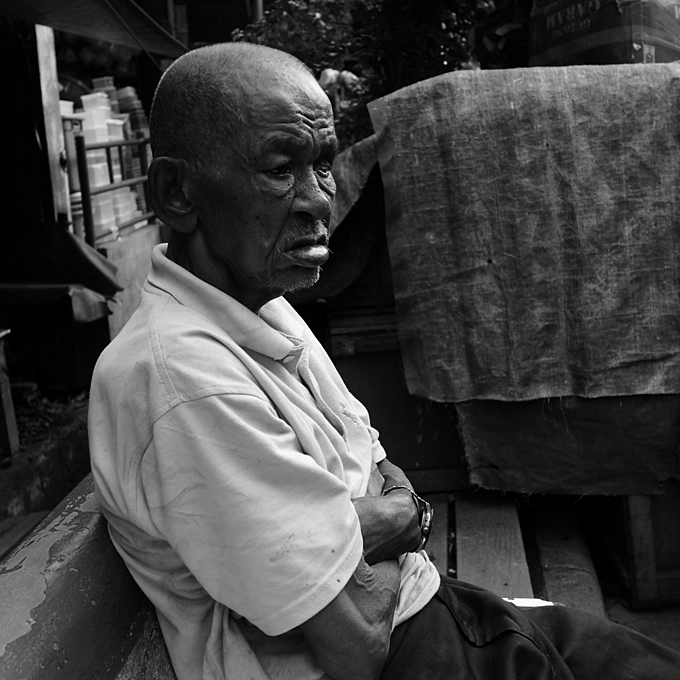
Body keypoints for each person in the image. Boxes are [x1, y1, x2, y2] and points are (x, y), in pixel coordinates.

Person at [88, 42, 680, 680]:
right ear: (177, 192)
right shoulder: (183, 378)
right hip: (406, 655)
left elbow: (375, 460)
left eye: (322, 164)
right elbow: (359, 641)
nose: (320, 199)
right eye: (281, 169)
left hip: (437, 611)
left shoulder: (260, 305)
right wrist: (395, 514)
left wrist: (372, 522)